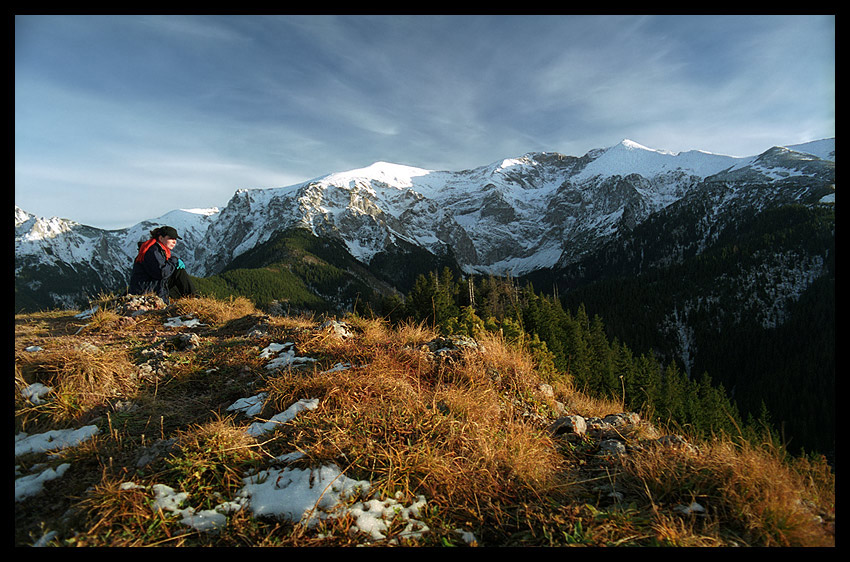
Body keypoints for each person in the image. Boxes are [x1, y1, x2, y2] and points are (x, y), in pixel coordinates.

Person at [128, 226, 197, 302]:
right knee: (179, 272)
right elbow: (161, 273)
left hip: (147, 285)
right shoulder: (153, 251)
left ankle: (191, 298)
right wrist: (173, 261)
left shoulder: (158, 249)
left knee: (178, 273)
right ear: (161, 238)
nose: (174, 242)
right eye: (171, 238)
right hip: (145, 289)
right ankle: (193, 298)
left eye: (175, 239)